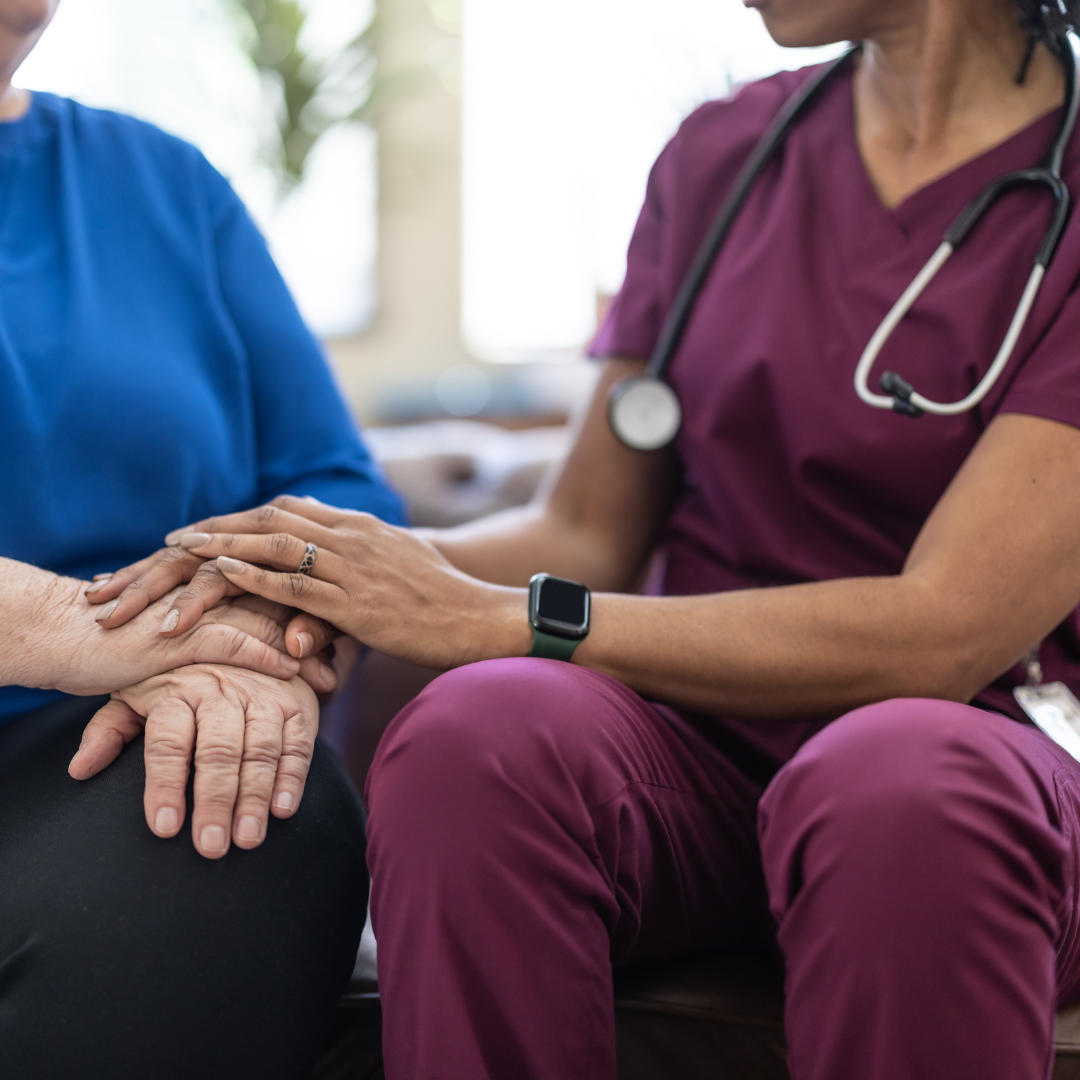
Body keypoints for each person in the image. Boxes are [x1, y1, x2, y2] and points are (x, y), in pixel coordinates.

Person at [104, 0, 1080, 1076]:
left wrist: (503, 618)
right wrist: (310, 574)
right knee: (475, 734)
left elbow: (944, 632)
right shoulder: (725, 157)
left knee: (894, 785)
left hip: (971, 748)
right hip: (697, 754)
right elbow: (586, 529)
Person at [0, 3, 404, 1078]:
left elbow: (332, 486)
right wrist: (77, 628)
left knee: (240, 832)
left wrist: (260, 634)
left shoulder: (166, 187)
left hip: (118, 745)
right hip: (116, 674)